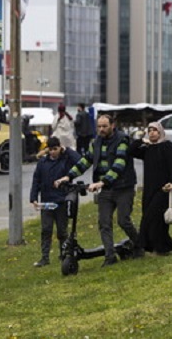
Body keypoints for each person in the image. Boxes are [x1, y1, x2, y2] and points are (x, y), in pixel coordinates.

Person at [55, 114, 139, 267]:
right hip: (106, 190)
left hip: (123, 187)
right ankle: (110, 256)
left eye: (104, 126)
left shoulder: (122, 140)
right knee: (104, 222)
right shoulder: (96, 142)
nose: (101, 129)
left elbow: (119, 165)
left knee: (123, 220)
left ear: (112, 125)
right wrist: (68, 176)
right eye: (99, 126)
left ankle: (139, 245)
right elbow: (85, 160)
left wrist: (102, 182)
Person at [29, 137, 81, 267]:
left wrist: (66, 150)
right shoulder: (42, 162)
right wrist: (33, 197)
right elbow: (36, 180)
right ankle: (45, 257)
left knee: (62, 231)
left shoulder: (66, 160)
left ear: (59, 148)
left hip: (61, 200)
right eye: (50, 150)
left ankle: (63, 254)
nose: (53, 152)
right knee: (46, 230)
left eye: (55, 149)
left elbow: (79, 161)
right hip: (47, 201)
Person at [130, 122, 172, 256]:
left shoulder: (168, 146)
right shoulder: (147, 149)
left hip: (163, 188)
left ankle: (153, 246)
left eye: (155, 130)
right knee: (152, 216)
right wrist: (141, 140)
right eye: (149, 130)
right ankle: (163, 246)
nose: (152, 133)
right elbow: (131, 150)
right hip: (149, 189)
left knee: (153, 217)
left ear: (160, 132)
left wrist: (171, 182)